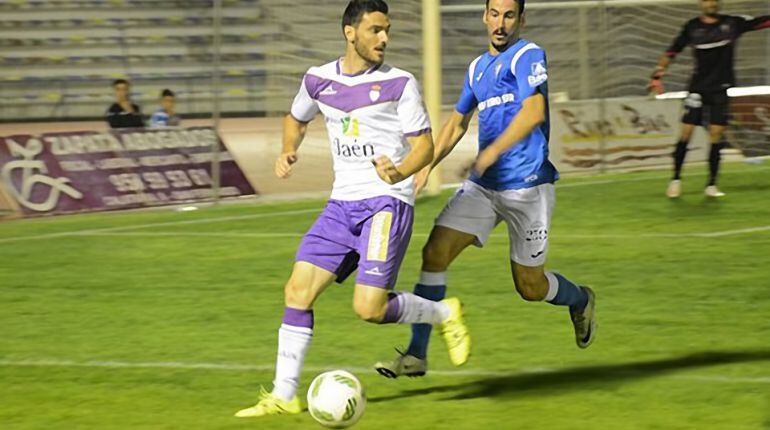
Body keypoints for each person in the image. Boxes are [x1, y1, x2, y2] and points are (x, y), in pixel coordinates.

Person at [234, 0, 470, 418]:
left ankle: (440, 311)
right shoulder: (318, 79)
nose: (384, 38)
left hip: (385, 203)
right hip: (341, 204)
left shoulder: (400, 83)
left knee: (368, 309)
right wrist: (290, 149)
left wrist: (399, 173)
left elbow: (425, 147)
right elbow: (296, 117)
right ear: (350, 32)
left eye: (387, 30)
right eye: (375, 30)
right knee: (297, 291)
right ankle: (285, 395)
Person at [374, 0, 596, 379]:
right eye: (494, 14)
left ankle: (580, 298)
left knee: (529, 286)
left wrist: (491, 151)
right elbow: (457, 122)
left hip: (528, 188)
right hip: (483, 187)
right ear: (484, 16)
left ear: (521, 20)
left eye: (509, 16)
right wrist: (426, 164)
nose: (500, 23)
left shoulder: (528, 55)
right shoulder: (477, 68)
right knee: (435, 253)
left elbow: (534, 112)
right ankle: (416, 354)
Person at [649, 0, 770, 198]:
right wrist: (657, 74)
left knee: (716, 135)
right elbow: (672, 51)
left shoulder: (732, 24)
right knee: (685, 133)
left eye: (714, 0)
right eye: (707, 1)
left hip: (720, 89)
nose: (711, 4)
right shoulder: (692, 27)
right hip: (697, 88)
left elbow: (761, 22)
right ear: (701, 4)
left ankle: (711, 185)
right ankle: (675, 180)